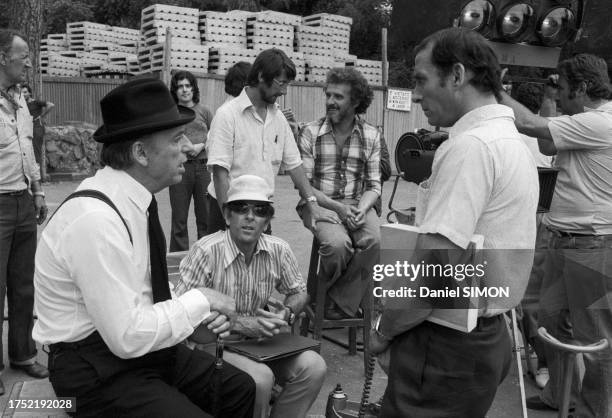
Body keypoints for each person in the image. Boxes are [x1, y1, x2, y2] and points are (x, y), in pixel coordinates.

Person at [33, 78, 255, 417]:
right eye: (176, 138)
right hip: (91, 369)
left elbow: (140, 304)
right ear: (139, 152)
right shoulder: (95, 220)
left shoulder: (137, 203)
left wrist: (193, 323)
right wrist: (202, 299)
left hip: (132, 349)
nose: (187, 147)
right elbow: (126, 336)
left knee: (239, 389)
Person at [371, 28, 539, 417]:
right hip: (485, 338)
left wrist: (384, 330)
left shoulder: (469, 147)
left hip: (446, 345)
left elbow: (436, 269)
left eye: (420, 80)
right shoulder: (511, 141)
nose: (415, 94)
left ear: (458, 75)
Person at [501, 53, 612, 418]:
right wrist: (550, 96)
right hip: (565, 240)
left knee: (595, 338)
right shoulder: (582, 121)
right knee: (548, 320)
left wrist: (490, 87)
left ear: (582, 88)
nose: (559, 97)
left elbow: (533, 127)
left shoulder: (601, 122)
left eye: (563, 90)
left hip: (592, 244)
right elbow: (547, 144)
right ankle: (560, 396)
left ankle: (595, 412)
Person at [177, 174, 326, 418]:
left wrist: (285, 313)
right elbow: (180, 313)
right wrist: (242, 323)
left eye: (259, 210)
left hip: (261, 345)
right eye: (240, 208)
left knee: (314, 366)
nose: (249, 217)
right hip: (212, 345)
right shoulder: (206, 251)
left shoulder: (278, 249)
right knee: (260, 378)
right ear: (227, 216)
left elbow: (299, 292)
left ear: (267, 221)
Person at [206, 48, 321, 234]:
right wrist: (229, 219)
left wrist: (312, 202)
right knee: (226, 262)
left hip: (261, 210)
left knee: (262, 262)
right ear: (261, 76)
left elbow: (294, 165)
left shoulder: (278, 119)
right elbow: (220, 175)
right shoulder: (227, 115)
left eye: (287, 84)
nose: (284, 91)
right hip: (227, 208)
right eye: (281, 83)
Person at [297, 67, 382, 319]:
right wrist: (338, 208)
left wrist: (361, 209)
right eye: (328, 95)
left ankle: (333, 299)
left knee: (376, 242)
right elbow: (304, 185)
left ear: (355, 101)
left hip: (357, 203)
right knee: (337, 245)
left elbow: (374, 186)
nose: (330, 102)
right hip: (317, 202)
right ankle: (338, 303)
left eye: (338, 97)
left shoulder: (371, 135)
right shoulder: (311, 132)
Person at [0, 29, 49, 396]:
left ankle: (22, 354)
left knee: (22, 285)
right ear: (2, 58)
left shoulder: (20, 98)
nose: (29, 62)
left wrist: (37, 190)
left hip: (22, 200)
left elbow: (28, 149)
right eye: (22, 56)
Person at [168, 70, 214, 251]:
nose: (184, 90)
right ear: (175, 90)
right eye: (180, 87)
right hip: (180, 169)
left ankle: (206, 257)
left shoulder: (205, 111)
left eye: (188, 86)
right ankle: (178, 261)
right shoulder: (172, 113)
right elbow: (170, 136)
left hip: (204, 169)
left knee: (205, 217)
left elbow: (215, 133)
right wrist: (188, 148)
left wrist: (201, 146)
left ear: (194, 88)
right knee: (179, 219)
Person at [21, 83, 54, 166]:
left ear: (30, 93)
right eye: (21, 93)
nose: (23, 94)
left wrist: (42, 116)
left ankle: (37, 176)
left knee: (36, 152)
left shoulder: (36, 102)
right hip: (27, 129)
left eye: (25, 92)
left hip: (37, 128)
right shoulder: (22, 104)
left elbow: (51, 105)